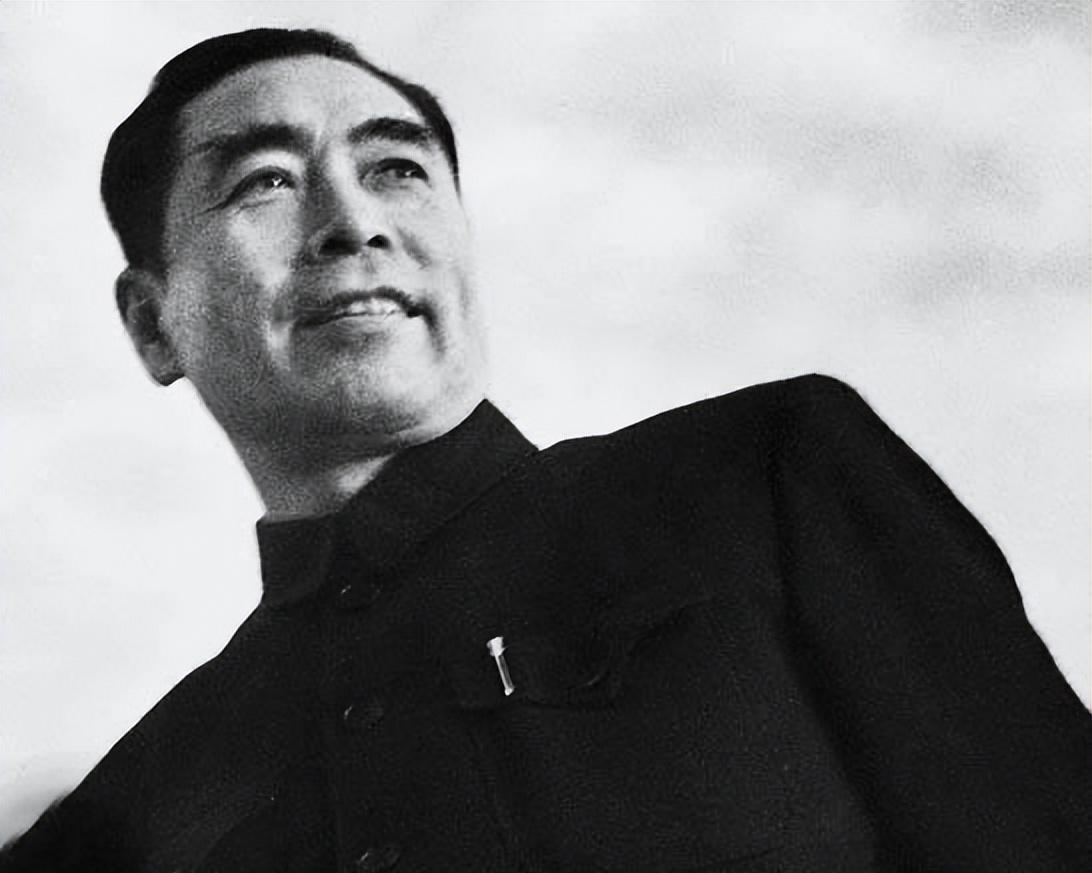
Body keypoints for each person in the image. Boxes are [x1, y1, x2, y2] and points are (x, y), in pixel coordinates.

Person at [2, 26, 1089, 873]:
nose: (353, 221)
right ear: (152, 325)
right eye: (266, 182)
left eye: (398, 169)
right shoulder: (126, 812)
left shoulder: (763, 479)